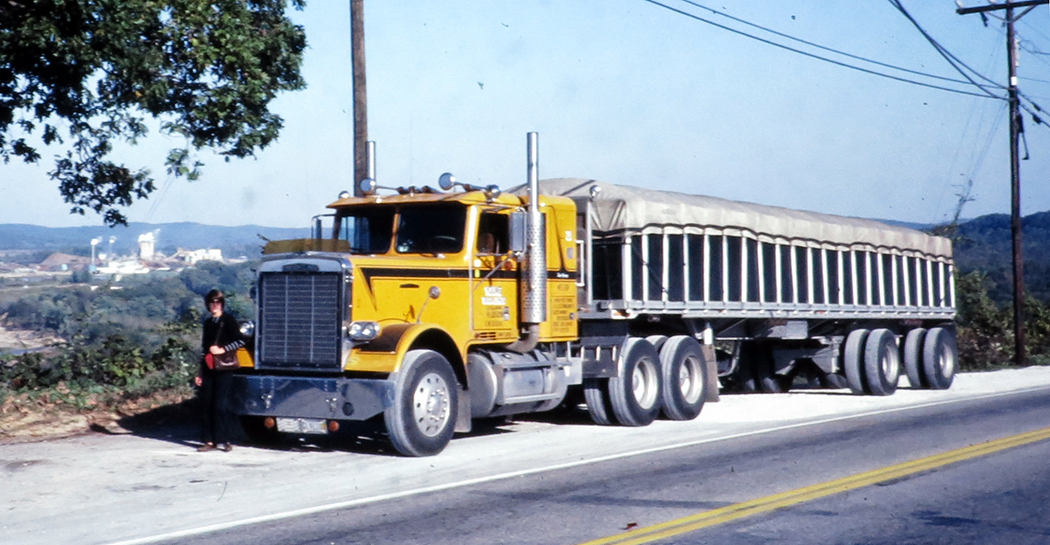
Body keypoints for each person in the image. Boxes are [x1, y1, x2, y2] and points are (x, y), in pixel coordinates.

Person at [197, 289, 245, 452]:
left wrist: (222, 350)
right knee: (206, 405)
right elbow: (204, 349)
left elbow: (240, 341)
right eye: (211, 302)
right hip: (209, 368)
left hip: (224, 368)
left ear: (222, 304)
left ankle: (224, 438)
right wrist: (200, 373)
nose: (214, 305)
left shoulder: (228, 320)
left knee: (220, 406)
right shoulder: (208, 322)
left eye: (217, 302)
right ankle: (209, 440)